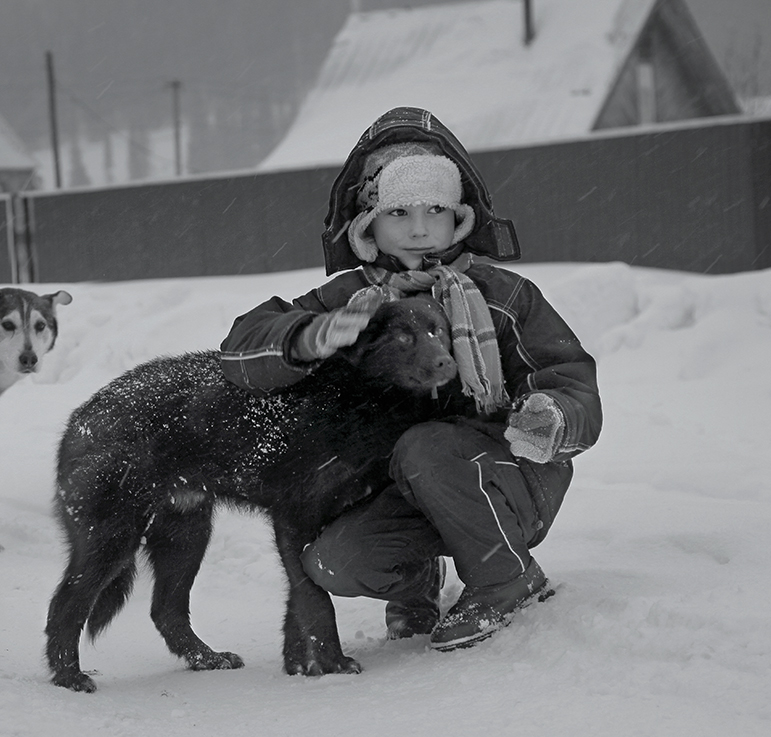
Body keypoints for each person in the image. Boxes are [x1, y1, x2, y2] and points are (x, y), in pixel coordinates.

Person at [219, 106, 602, 651]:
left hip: (510, 476)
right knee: (332, 563)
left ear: (461, 217)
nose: (420, 229)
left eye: (436, 210)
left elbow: (571, 382)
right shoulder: (350, 302)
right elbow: (239, 352)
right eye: (399, 212)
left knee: (425, 444)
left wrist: (553, 415)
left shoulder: (503, 296)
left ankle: (505, 578)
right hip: (401, 489)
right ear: (367, 222)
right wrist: (308, 336)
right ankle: (417, 579)